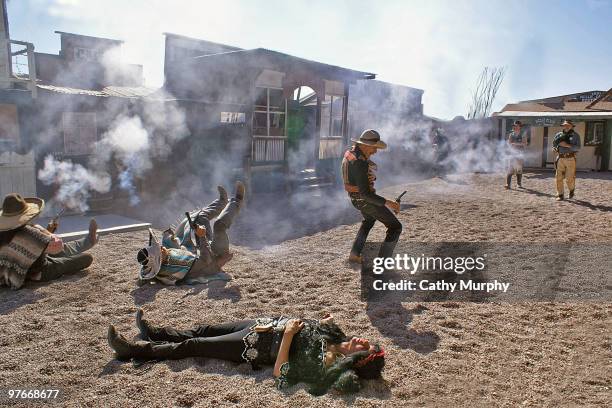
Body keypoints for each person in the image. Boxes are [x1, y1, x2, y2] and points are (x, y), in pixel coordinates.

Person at [107, 310, 385, 395]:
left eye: (365, 347)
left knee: (195, 346)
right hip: (261, 326)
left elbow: (280, 374)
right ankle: (154, 332)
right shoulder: (336, 336)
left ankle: (134, 350)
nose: (362, 340)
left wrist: (288, 336)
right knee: (205, 328)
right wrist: (320, 323)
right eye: (367, 341)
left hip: (254, 348)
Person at [137, 182, 245, 285]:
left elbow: (145, 271)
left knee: (200, 218)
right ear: (158, 260)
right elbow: (206, 260)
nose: (161, 248)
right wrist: (202, 236)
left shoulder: (160, 263)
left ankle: (222, 202)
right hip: (214, 256)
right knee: (219, 226)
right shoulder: (180, 266)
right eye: (159, 251)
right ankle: (237, 200)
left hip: (202, 249)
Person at [0, 193, 98, 289]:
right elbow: (58, 246)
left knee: (66, 249)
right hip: (37, 272)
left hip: (12, 273)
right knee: (85, 257)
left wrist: (47, 230)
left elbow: (35, 245)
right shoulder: (31, 233)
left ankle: (89, 240)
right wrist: (47, 231)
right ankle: (89, 240)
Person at [342, 129, 402, 264]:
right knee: (395, 227)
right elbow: (366, 194)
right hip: (364, 200)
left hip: (355, 199)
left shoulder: (351, 153)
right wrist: (389, 203)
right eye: (374, 148)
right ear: (365, 145)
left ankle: (355, 254)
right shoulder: (360, 162)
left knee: (369, 221)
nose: (375, 151)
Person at [552, 119, 581, 201]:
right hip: (560, 158)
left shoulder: (576, 135)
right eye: (565, 125)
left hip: (570, 158)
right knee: (558, 177)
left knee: (569, 179)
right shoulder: (558, 134)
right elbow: (554, 144)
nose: (566, 126)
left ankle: (571, 190)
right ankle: (560, 194)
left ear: (572, 126)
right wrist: (555, 148)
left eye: (568, 125)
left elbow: (578, 147)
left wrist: (567, 145)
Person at [505, 120, 527, 189]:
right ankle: (508, 184)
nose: (515, 127)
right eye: (514, 126)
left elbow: (525, 143)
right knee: (510, 169)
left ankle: (519, 184)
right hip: (512, 153)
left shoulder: (523, 134)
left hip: (520, 154)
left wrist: (515, 144)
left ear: (520, 127)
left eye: (517, 126)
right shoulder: (511, 134)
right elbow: (509, 143)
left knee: (519, 169)